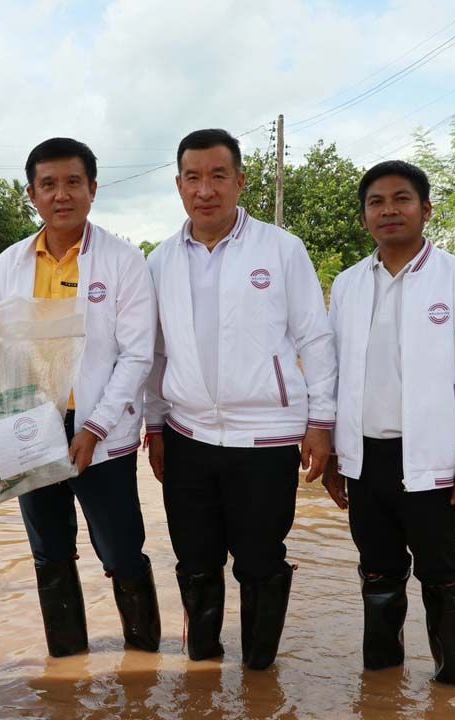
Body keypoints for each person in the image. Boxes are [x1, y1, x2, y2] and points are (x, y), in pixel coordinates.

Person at [144, 128, 337, 670]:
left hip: (268, 438)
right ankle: (202, 668)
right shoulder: (159, 261)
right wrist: (155, 427)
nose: (206, 189)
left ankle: (259, 675)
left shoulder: (280, 248)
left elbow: (314, 338)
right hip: (188, 438)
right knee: (196, 561)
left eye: (218, 176)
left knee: (260, 561)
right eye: (193, 178)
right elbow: (155, 355)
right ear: (178, 185)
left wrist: (321, 422)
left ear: (240, 181)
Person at [0, 137, 160, 657]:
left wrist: (95, 428)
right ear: (31, 193)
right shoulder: (8, 264)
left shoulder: (123, 262)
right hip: (30, 429)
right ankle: (67, 666)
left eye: (73, 182)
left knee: (121, 551)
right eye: (48, 184)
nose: (61, 194)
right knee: (49, 551)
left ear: (93, 189)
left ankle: (142, 661)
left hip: (100, 431)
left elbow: (137, 356)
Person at [321, 161, 455, 684]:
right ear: (364, 217)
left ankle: (449, 687)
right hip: (366, 459)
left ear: (425, 209)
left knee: (441, 571)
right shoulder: (350, 284)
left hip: (433, 459)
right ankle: (381, 685)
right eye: (376, 202)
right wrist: (337, 453)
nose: (389, 210)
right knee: (377, 571)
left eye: (401, 199)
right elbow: (334, 374)